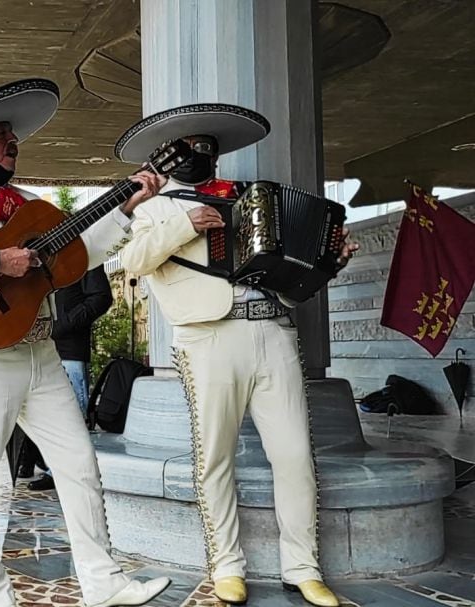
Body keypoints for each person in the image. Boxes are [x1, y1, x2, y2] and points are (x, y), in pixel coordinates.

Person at [0, 79, 170, 607]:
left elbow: (80, 254)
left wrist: (126, 206)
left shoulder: (33, 205)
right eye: (0, 134)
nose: (12, 142)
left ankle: (103, 582)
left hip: (42, 352)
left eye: (13, 135)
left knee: (79, 465)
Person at [115, 103, 359, 607]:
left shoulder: (249, 201)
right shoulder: (155, 208)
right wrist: (185, 224)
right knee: (214, 458)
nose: (200, 157)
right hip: (206, 337)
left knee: (294, 455)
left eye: (208, 150)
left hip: (272, 331)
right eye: (190, 150)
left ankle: (304, 567)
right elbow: (133, 262)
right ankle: (226, 566)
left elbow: (287, 280)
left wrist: (325, 266)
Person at [25, 265, 114, 491]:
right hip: (40, 348)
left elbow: (101, 297)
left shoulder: (84, 255)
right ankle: (46, 466)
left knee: (72, 415)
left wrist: (64, 324)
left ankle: (62, 473)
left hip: (70, 349)